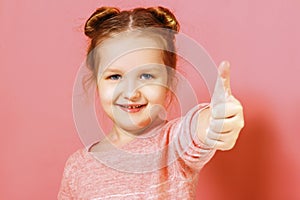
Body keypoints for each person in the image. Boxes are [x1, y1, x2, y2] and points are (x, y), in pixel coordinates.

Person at [58, 6, 244, 199]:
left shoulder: (174, 143)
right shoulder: (77, 167)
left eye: (146, 75)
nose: (131, 92)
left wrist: (215, 122)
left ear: (169, 81)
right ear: (97, 81)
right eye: (114, 76)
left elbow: (197, 128)